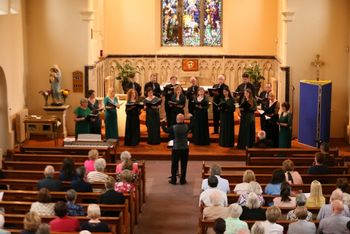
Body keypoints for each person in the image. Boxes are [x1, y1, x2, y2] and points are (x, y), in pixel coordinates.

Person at [162, 114, 190, 185]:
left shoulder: (173, 127)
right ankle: (182, 180)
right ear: (183, 120)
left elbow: (165, 130)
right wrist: (192, 118)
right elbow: (193, 125)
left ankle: (173, 180)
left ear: (176, 120)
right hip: (185, 148)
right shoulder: (186, 127)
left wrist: (163, 123)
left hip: (176, 148)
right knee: (184, 164)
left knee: (174, 164)